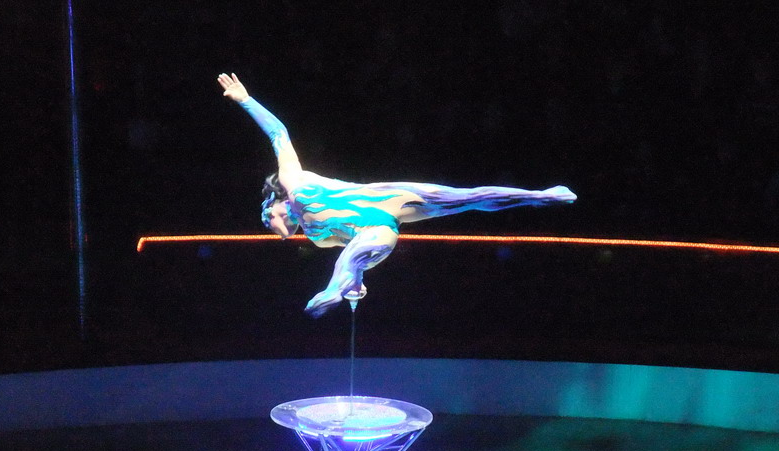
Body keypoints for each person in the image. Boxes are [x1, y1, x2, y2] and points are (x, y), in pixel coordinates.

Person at [217, 72, 577, 317]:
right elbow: (356, 252)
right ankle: (334, 290)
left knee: (465, 197)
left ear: (273, 204)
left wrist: (245, 99)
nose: (269, 227)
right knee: (351, 259)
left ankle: (539, 196)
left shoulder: (293, 183)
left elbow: (278, 133)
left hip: (388, 199)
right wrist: (355, 283)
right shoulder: (317, 238)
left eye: (266, 219)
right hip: (375, 232)